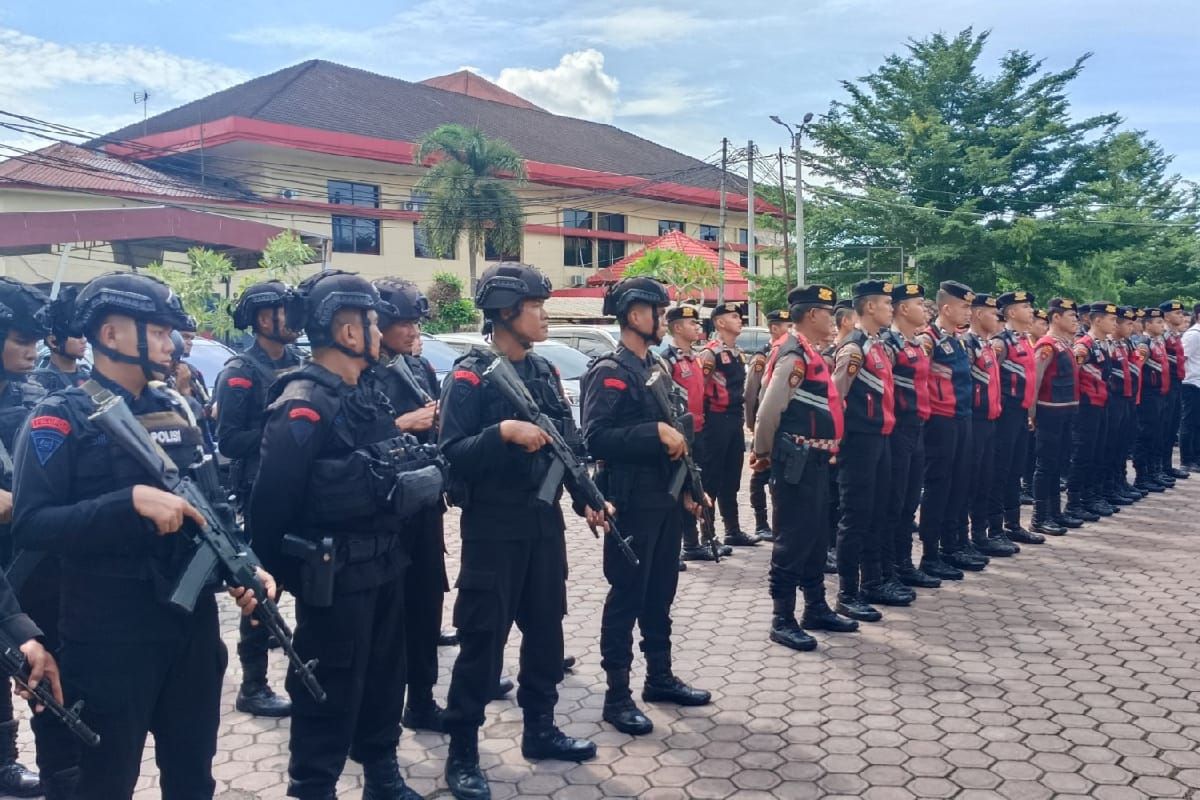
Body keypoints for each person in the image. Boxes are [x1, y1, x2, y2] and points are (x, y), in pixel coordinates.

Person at [12, 272, 271, 800]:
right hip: (109, 634)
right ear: (110, 335)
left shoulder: (176, 407)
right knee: (105, 781)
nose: (168, 343)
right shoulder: (60, 417)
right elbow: (34, 523)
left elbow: (215, 506)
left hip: (190, 629)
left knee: (193, 776)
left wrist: (247, 565)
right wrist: (125, 505)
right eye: (154, 331)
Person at [249, 270, 432, 800]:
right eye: (374, 323)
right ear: (349, 332)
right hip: (335, 580)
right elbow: (270, 509)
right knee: (328, 692)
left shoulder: (367, 394)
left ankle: (381, 773)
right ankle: (313, 786)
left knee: (383, 680)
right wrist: (281, 580)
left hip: (385, 568)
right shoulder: (303, 403)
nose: (380, 333)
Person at [437, 264, 598, 800]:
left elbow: (569, 445)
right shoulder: (468, 376)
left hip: (542, 524)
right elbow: (452, 453)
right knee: (482, 639)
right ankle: (462, 750)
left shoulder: (545, 373)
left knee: (547, 630)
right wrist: (502, 432)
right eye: (535, 305)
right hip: (493, 527)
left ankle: (541, 728)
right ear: (507, 311)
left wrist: (588, 498)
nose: (544, 315)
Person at [582, 277, 711, 737]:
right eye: (659, 311)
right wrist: (652, 434)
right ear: (636, 315)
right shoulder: (609, 370)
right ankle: (617, 695)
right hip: (630, 503)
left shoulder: (653, 366)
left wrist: (690, 489)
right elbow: (595, 438)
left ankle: (659, 677)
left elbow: (678, 429)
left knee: (660, 593)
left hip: (663, 500)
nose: (664, 319)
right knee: (627, 596)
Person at [365, 279, 453, 734]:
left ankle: (421, 699)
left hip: (424, 509)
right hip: (383, 515)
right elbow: (351, 442)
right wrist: (406, 422)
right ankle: (379, 713)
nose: (410, 329)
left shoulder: (417, 369)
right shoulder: (357, 373)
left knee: (425, 605)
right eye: (402, 321)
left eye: (415, 321)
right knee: (387, 617)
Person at [215, 281, 305, 719]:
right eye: (280, 310)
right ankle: (253, 685)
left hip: (302, 493)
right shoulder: (240, 371)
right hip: (260, 496)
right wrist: (279, 430)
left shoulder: (299, 363)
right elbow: (229, 440)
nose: (289, 318)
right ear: (260, 318)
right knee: (260, 594)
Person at [752, 285, 857, 651]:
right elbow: (769, 410)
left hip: (815, 460)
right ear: (812, 315)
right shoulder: (794, 355)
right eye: (828, 313)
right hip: (794, 461)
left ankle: (815, 607)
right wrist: (763, 454)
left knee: (814, 538)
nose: (834, 319)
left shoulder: (809, 352)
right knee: (792, 540)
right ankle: (782, 618)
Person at [0, 279, 53, 797]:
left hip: (29, 553)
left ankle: (9, 763)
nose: (31, 348)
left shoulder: (36, 396)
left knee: (28, 654)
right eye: (19, 338)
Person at [832, 280, 906, 620]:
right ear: (870, 307)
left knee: (880, 511)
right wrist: (835, 441)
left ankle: (873, 582)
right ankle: (847, 592)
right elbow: (835, 398)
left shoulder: (878, 345)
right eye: (887, 303)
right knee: (856, 516)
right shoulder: (855, 347)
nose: (892, 308)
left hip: (882, 437)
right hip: (859, 442)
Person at [916, 281, 980, 579]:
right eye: (965, 306)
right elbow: (919, 382)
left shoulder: (958, 340)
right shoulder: (927, 340)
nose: (969, 311)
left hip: (963, 419)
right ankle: (930, 554)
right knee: (939, 487)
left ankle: (952, 546)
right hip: (940, 423)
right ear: (946, 308)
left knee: (960, 484)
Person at [880, 283, 939, 589]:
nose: (925, 308)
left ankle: (904, 564)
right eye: (919, 303)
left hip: (917, 427)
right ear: (904, 309)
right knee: (895, 502)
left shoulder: (914, 343)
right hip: (897, 429)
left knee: (909, 501)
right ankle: (887, 569)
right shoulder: (888, 344)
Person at [662, 305, 718, 562]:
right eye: (690, 323)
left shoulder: (695, 357)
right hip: (678, 434)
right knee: (680, 489)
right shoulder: (667, 359)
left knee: (696, 487)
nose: (697, 327)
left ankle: (697, 541)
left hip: (699, 431)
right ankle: (685, 545)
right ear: (676, 328)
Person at [697, 303, 755, 546]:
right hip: (715, 421)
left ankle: (733, 529)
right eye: (734, 316)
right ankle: (707, 535)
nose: (739, 320)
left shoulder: (737, 353)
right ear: (720, 323)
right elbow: (699, 390)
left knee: (731, 478)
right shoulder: (710, 354)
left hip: (734, 420)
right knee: (711, 478)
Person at [987, 291, 1041, 550]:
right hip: (1004, 414)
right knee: (1000, 471)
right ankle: (994, 528)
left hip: (1019, 414)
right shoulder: (1000, 343)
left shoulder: (1023, 341)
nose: (1031, 311)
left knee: (1015, 471)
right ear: (1010, 313)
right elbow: (991, 380)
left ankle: (1013, 524)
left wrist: (1030, 413)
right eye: (1025, 307)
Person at [962, 294, 1014, 558]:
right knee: (970, 481)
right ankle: (964, 538)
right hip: (975, 420)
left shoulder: (986, 345)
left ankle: (980, 535)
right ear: (979, 314)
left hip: (992, 419)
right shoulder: (968, 345)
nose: (997, 318)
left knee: (986, 479)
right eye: (994, 313)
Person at [1031, 298, 1081, 534]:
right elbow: (1035, 381)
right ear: (1057, 318)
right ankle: (1040, 517)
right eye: (1071, 316)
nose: (1076, 320)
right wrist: (1031, 413)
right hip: (1049, 411)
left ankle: (1055, 513)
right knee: (1046, 465)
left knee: (1059, 464)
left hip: (1065, 411)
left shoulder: (1066, 344)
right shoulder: (1047, 345)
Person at [744, 309, 793, 543]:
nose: (790, 330)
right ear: (775, 328)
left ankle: (776, 523)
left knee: (775, 476)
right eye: (786, 326)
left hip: (780, 425)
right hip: (764, 423)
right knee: (759, 474)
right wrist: (752, 424)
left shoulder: (786, 353)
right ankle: (760, 523)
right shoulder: (763, 356)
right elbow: (752, 392)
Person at [1066, 303, 1119, 521]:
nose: (1115, 323)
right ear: (1097, 320)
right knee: (1083, 455)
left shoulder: (1103, 344)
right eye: (1111, 319)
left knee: (1099, 452)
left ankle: (1092, 496)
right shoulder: (1084, 345)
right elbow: (1075, 376)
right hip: (1087, 406)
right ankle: (1074, 502)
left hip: (1102, 403)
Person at [1135, 308, 1172, 492]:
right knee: (1147, 436)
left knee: (1158, 434)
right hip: (1149, 397)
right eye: (1157, 322)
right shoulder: (1144, 344)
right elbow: (1136, 369)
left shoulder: (1159, 342)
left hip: (1160, 395)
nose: (1162, 325)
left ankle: (1154, 472)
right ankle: (1143, 476)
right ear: (1147, 324)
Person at [32, 287, 90, 394]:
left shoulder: (89, 378)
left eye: (84, 335)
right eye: (76, 335)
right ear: (52, 341)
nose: (84, 340)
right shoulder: (39, 384)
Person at [1161, 301, 1189, 479]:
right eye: (1177, 312)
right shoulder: (1162, 336)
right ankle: (1159, 467)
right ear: (1166, 316)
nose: (1180, 315)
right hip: (1166, 385)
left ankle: (1167, 465)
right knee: (1163, 427)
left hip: (1177, 383)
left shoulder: (1175, 335)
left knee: (1172, 427)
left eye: (1181, 313)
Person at [1180, 304, 1200, 471]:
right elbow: (1182, 358)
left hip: (1198, 383)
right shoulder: (1193, 335)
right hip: (1191, 383)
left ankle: (1196, 457)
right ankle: (1187, 460)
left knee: (1197, 424)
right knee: (1189, 423)